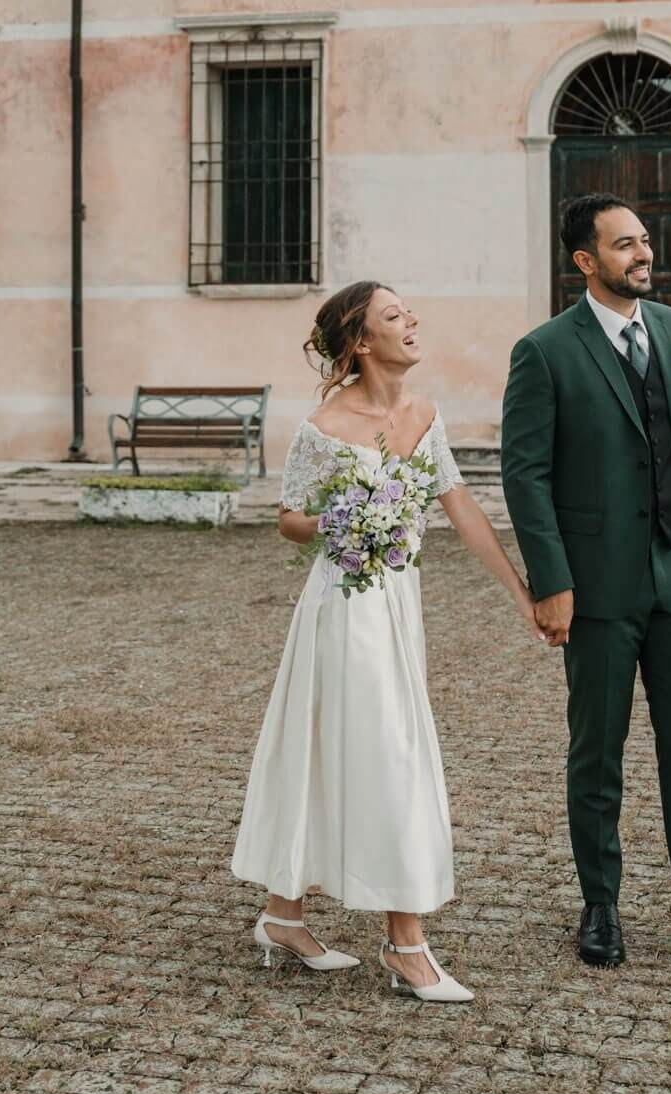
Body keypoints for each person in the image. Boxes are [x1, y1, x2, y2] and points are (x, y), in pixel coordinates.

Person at [232, 279, 546, 1001]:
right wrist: (342, 520)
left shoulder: (425, 415)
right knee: (389, 752)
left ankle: (283, 914)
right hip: (344, 608)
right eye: (394, 315)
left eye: (409, 311)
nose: (412, 321)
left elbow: (461, 509)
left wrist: (521, 594)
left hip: (398, 603)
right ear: (361, 341)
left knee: (336, 748)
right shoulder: (323, 427)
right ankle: (406, 944)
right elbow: (289, 519)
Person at [501, 193, 671, 975]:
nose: (643, 254)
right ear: (585, 261)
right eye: (624, 244)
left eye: (644, 240)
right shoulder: (544, 351)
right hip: (598, 587)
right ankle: (601, 905)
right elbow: (525, 475)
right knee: (597, 751)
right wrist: (552, 581)